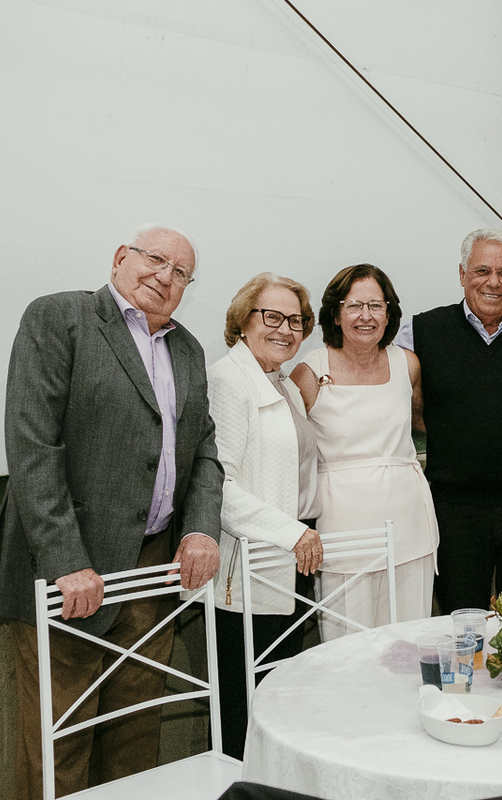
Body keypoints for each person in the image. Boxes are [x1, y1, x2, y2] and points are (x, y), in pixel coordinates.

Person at [0, 224, 223, 799]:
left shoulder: (189, 349)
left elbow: (205, 454)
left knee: (134, 735)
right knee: (59, 742)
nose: (165, 278)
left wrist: (198, 528)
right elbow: (32, 446)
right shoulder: (60, 318)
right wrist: (66, 561)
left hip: (150, 574)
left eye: (181, 273)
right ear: (121, 257)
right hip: (71, 574)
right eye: (155, 260)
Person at [393, 230, 502, 613]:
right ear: (461, 274)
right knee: (460, 618)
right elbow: (402, 404)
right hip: (453, 506)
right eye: (482, 270)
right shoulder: (421, 332)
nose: (494, 282)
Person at [206, 273, 322, 758]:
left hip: (294, 558)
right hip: (251, 566)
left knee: (280, 696)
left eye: (295, 320)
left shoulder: (282, 383)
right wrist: (292, 533)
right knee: (245, 701)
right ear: (243, 320)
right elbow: (219, 484)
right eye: (271, 317)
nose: (285, 329)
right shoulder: (228, 379)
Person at [291, 264, 436, 639]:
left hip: (408, 522)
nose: (366, 316)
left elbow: (421, 424)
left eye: (377, 305)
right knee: (348, 643)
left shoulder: (408, 364)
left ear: (390, 313)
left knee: (410, 638)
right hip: (342, 527)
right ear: (336, 314)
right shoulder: (309, 371)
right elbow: (291, 449)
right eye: (355, 306)